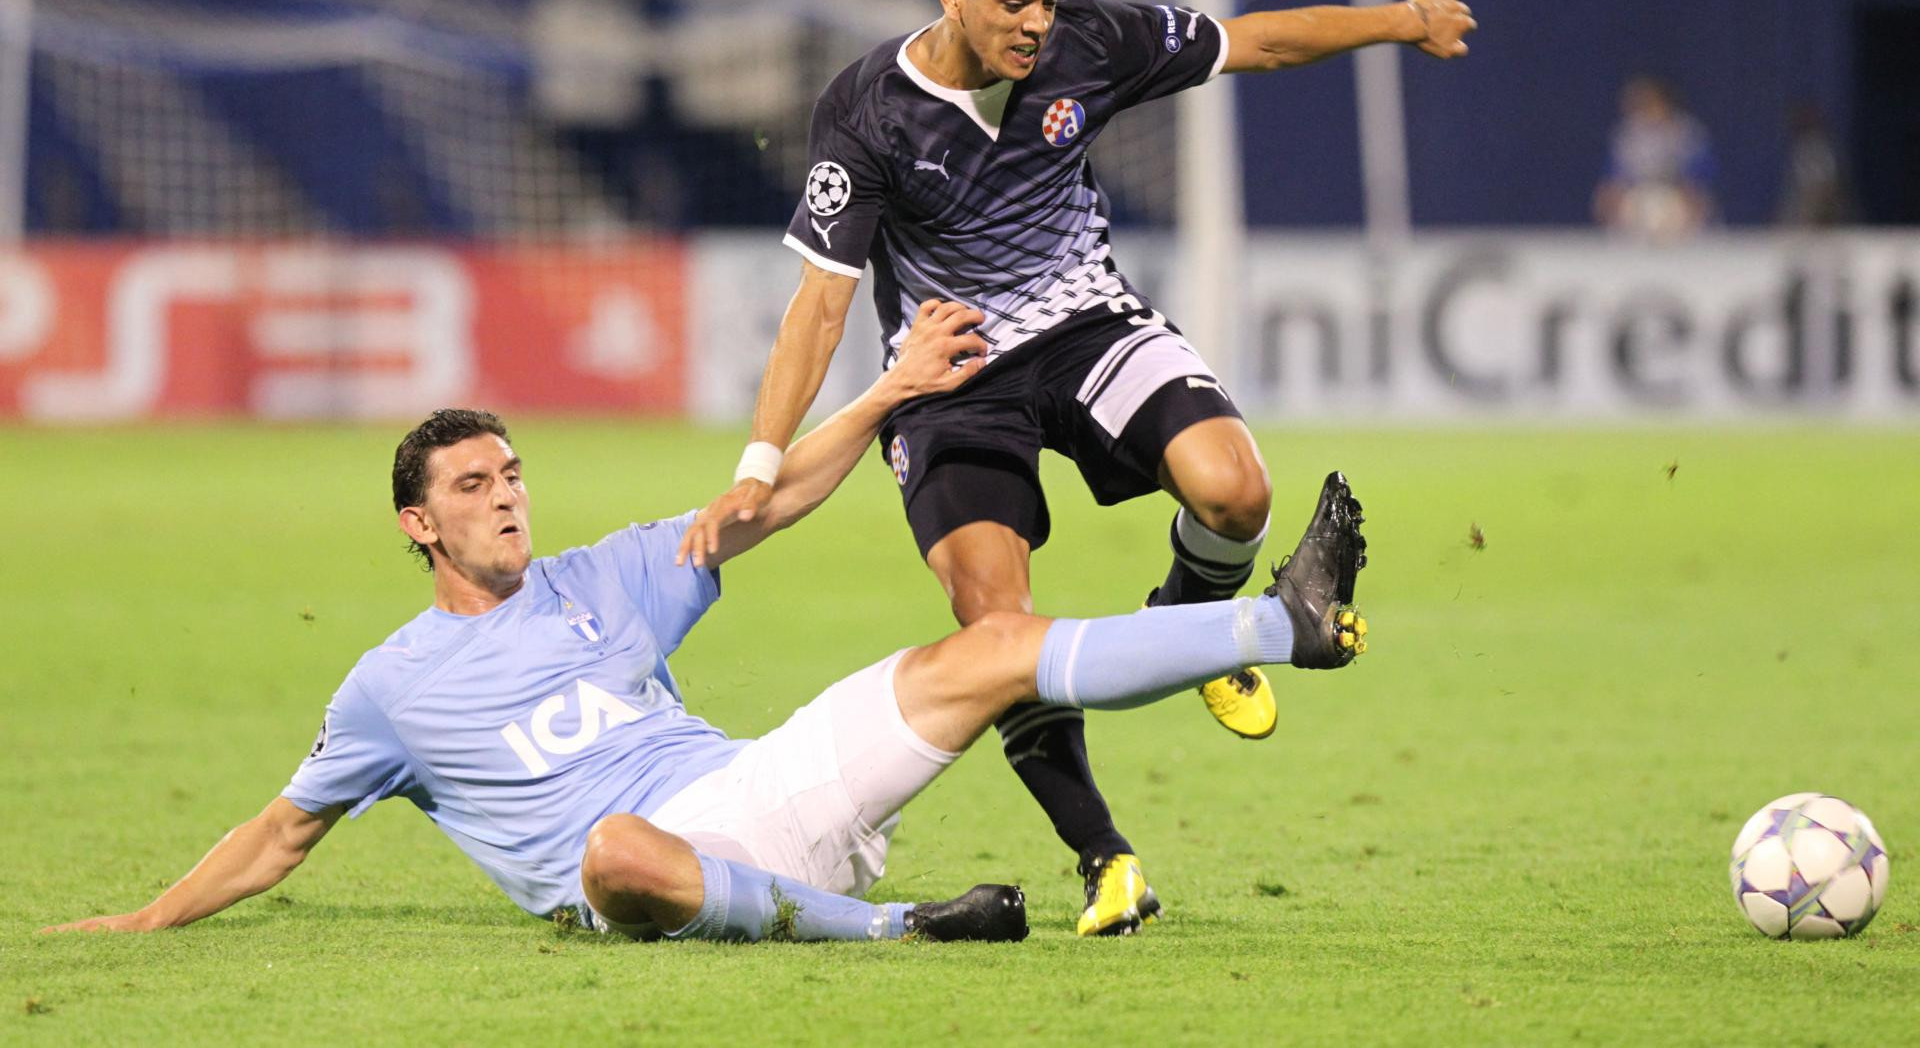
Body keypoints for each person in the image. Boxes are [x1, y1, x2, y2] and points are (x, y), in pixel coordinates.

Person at [43, 300, 1371, 944]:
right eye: (473, 486)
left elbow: (762, 504)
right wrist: (142, 922)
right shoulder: (390, 687)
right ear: (419, 525)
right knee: (611, 851)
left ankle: (1281, 624)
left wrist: (886, 391)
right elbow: (281, 832)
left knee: (991, 647)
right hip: (658, 871)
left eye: (511, 475)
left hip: (770, 788)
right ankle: (905, 927)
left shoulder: (603, 574)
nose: (505, 498)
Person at [680, 0, 1467, 934]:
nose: (1037, 24)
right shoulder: (866, 109)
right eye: (1015, 2)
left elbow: (1257, 42)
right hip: (955, 374)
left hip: (1086, 323)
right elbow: (819, 306)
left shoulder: (1089, 42)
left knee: (1236, 490)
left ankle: (1191, 620)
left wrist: (1403, 20)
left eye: (1047, 0)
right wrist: (758, 462)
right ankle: (1106, 856)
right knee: (996, 629)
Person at [1593, 74, 1717, 241]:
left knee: (1671, 209)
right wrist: (1609, 197)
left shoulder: (1686, 132)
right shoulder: (1628, 134)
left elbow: (1699, 178)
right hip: (1638, 196)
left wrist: (1693, 199)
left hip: (1676, 196)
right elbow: (1614, 177)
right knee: (1631, 206)